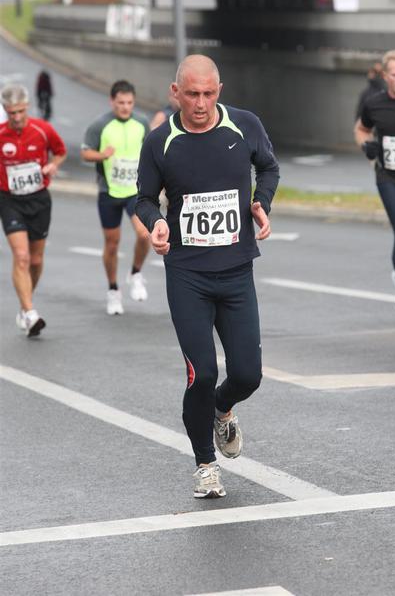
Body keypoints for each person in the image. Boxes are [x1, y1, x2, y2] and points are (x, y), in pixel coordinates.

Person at [136, 55, 280, 498]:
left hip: (236, 271)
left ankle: (222, 407)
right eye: (192, 94)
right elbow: (144, 198)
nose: (200, 104)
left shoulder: (244, 125)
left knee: (248, 375)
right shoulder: (160, 141)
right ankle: (205, 464)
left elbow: (269, 167)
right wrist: (156, 224)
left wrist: (261, 202)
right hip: (188, 275)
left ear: (220, 90)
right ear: (175, 92)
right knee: (200, 373)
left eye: (208, 94)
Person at [354, 49, 395, 318]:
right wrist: (366, 146)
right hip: (388, 177)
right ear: (385, 76)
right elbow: (361, 129)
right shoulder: (374, 103)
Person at [0, 84, 67, 336]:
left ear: (27, 107)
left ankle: (24, 304)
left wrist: (53, 165)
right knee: (22, 256)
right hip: (10, 200)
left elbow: (60, 152)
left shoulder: (42, 129)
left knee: (36, 260)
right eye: (11, 113)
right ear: (5, 110)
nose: (17, 117)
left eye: (20, 111)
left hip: (38, 199)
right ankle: (30, 313)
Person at [81, 80, 150, 315]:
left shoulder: (141, 123)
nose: (125, 107)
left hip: (134, 191)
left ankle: (136, 272)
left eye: (129, 102)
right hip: (109, 191)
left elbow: (151, 151)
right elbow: (85, 153)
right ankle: (113, 290)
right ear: (112, 101)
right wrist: (103, 155)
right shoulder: (100, 125)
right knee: (112, 244)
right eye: (121, 102)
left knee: (144, 234)